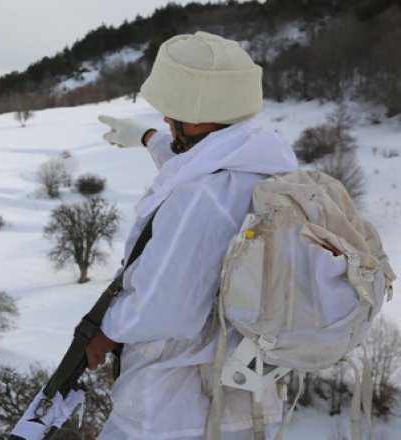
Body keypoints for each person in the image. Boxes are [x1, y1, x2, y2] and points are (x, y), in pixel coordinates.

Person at [90, 32, 299, 439]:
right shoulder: (265, 163)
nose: (166, 119)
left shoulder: (202, 199)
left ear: (199, 109)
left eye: (173, 111)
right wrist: (151, 140)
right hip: (241, 399)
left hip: (173, 408)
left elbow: (162, 307)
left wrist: (106, 331)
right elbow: (203, 165)